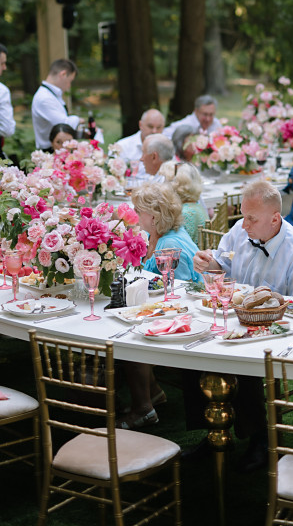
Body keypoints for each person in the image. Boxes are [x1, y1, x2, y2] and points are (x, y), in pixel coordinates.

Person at [188, 180, 293, 471]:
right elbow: (221, 265)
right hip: (237, 320)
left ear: (275, 218)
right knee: (193, 347)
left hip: (281, 332)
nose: (244, 225)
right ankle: (213, 430)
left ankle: (260, 438)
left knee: (243, 360)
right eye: (243, 216)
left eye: (252, 219)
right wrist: (207, 263)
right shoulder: (240, 231)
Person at [118, 182, 200, 430]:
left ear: (152, 216)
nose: (133, 214)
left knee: (129, 335)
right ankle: (151, 392)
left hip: (187, 316)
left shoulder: (169, 246)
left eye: (137, 210)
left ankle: (144, 408)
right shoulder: (157, 237)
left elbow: (180, 293)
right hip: (163, 307)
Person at [31, 58, 82, 150]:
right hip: (50, 151)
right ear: (63, 74)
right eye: (70, 81)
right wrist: (78, 119)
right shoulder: (44, 98)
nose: (69, 86)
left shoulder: (51, 94)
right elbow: (65, 124)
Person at [160, 161, 208, 244]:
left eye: (167, 181)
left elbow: (175, 244)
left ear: (176, 184)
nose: (163, 185)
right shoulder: (195, 206)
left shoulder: (184, 214)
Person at [114, 108, 165, 176]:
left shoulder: (167, 147)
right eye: (150, 126)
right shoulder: (122, 147)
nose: (154, 131)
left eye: (159, 127)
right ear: (140, 125)